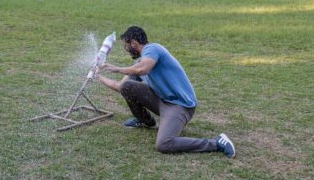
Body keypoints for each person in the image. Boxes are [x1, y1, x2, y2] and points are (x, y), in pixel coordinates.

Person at [95, 26, 236, 158]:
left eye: (127, 45)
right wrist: (98, 76)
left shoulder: (152, 49)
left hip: (180, 106)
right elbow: (120, 86)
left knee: (164, 144)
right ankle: (145, 121)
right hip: (162, 101)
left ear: (134, 43)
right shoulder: (140, 62)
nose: (127, 49)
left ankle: (216, 142)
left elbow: (143, 69)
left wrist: (117, 68)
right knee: (127, 86)